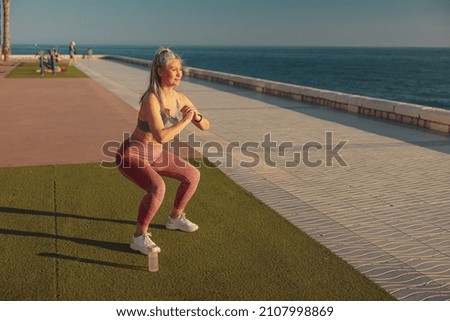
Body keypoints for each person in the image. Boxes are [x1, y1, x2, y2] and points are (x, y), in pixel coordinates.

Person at [115, 48, 210, 255]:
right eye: (173, 69)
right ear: (159, 71)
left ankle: (175, 218)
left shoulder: (180, 98)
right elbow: (161, 136)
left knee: (193, 175)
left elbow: (206, 126)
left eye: (180, 70)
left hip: (156, 155)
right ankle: (139, 237)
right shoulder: (151, 99)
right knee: (158, 187)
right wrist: (185, 120)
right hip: (133, 154)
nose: (179, 73)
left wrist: (197, 117)